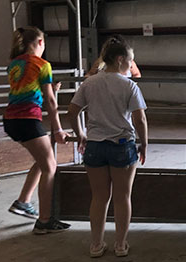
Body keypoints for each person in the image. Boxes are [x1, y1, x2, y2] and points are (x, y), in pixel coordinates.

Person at [67, 39, 148, 258]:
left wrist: (80, 135)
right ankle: (120, 245)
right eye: (130, 61)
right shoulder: (129, 85)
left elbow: (72, 111)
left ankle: (96, 245)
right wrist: (144, 144)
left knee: (99, 197)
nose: (131, 65)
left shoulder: (89, 83)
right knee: (122, 197)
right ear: (121, 59)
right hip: (122, 145)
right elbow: (139, 119)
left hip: (94, 146)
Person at [4, 26, 71, 234]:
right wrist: (58, 129)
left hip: (10, 120)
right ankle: (44, 221)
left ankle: (24, 201)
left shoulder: (14, 64)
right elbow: (50, 101)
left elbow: (26, 90)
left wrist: (51, 88)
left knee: (43, 160)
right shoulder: (43, 65)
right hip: (27, 120)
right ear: (40, 43)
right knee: (50, 166)